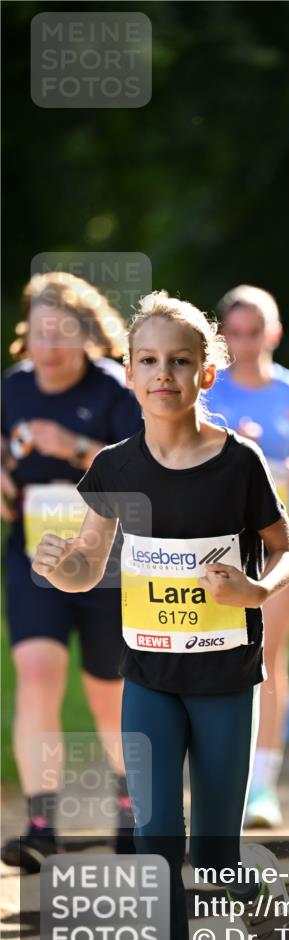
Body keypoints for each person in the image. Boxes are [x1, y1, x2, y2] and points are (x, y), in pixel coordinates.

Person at [31, 290, 289, 940]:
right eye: (147, 361)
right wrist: (65, 568)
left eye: (179, 362)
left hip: (223, 680)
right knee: (157, 841)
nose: (163, 375)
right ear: (129, 372)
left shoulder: (238, 462)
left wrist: (256, 591)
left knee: (212, 857)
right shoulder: (116, 469)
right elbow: (90, 564)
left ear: (206, 374)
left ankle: (254, 895)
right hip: (148, 677)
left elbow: (288, 553)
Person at [1, 271, 143, 872]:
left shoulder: (115, 390)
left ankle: (132, 809)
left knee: (109, 697)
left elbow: (142, 476)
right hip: (35, 554)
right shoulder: (12, 390)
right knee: (35, 670)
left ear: (87, 335)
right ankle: (41, 823)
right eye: (38, 334)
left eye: (61, 334)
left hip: (106, 560)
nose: (49, 347)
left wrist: (74, 445)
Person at [208, 285, 289, 828]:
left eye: (254, 332)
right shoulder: (208, 390)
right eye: (233, 334)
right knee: (218, 659)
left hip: (288, 534)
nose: (244, 344)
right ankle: (219, 777)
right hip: (219, 538)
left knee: (266, 656)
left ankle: (260, 788)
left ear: (274, 333)